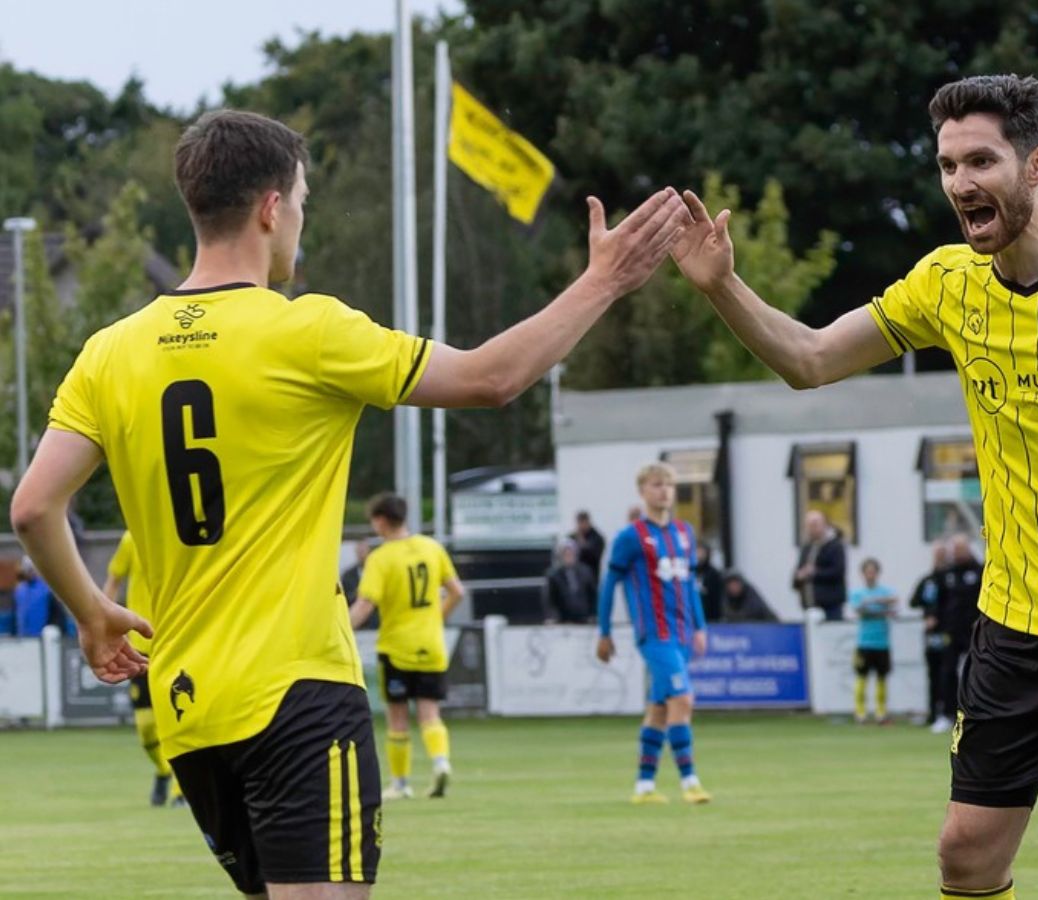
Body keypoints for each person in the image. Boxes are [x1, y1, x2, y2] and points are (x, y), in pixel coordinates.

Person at [8, 108, 687, 897]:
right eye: (301, 202)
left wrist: (92, 613)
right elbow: (489, 378)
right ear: (270, 207)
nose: (301, 221)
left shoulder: (108, 352)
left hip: (190, 708)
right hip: (296, 694)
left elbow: (32, 509)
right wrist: (602, 280)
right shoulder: (310, 331)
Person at [670, 74, 1038, 900]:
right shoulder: (945, 284)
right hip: (1017, 624)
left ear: (1036, 164)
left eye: (980, 161)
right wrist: (720, 289)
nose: (960, 183)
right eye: (947, 165)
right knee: (966, 853)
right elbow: (809, 360)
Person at [595, 462, 712, 805]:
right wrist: (604, 631)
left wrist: (700, 626)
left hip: (681, 633)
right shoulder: (631, 536)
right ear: (643, 491)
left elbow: (690, 585)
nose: (664, 491)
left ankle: (643, 787)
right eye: (657, 485)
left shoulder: (684, 532)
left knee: (659, 710)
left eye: (669, 485)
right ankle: (690, 781)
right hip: (654, 634)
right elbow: (609, 584)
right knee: (684, 700)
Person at [349, 492, 465, 800]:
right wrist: (435, 618)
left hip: (397, 647)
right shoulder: (432, 547)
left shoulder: (381, 558)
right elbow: (457, 592)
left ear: (381, 521)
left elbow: (365, 605)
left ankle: (400, 783)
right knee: (430, 712)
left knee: (397, 717)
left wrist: (340, 630)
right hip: (431, 643)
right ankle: (440, 763)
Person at [102, 531, 184, 808]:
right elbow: (114, 579)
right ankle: (163, 771)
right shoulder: (131, 539)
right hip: (140, 645)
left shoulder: (180, 536)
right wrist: (100, 619)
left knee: (178, 718)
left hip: (175, 642)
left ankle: (180, 790)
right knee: (146, 727)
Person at [935, 535, 984, 736]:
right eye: (954, 549)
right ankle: (947, 714)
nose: (957, 552)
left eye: (960, 548)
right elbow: (939, 602)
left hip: (974, 630)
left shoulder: (980, 571)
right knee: (947, 672)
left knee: (977, 672)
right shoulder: (946, 574)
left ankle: (978, 714)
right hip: (952, 631)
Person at [850, 558, 897, 724]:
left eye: (873, 571)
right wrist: (879, 607)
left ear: (877, 573)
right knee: (862, 677)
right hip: (864, 642)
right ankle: (860, 712)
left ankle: (881, 712)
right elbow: (859, 610)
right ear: (863, 574)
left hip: (882, 642)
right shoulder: (857, 593)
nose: (870, 575)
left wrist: (873, 605)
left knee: (881, 678)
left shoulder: (885, 591)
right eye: (867, 571)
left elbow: (894, 602)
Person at [911, 541, 953, 728]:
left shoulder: (951, 579)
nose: (939, 558)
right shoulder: (928, 580)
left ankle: (948, 712)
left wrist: (938, 617)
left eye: (942, 554)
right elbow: (914, 600)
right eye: (937, 554)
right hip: (931, 635)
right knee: (932, 673)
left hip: (947, 633)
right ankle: (932, 712)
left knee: (947, 673)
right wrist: (928, 615)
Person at [793, 510, 848, 621]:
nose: (811, 529)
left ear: (825, 524)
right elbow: (799, 571)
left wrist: (814, 573)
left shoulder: (835, 546)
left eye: (814, 525)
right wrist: (798, 577)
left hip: (830, 606)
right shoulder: (807, 547)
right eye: (808, 526)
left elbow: (838, 571)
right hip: (810, 606)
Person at [546, 539, 598, 624]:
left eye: (571, 554)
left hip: (584, 618)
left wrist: (593, 614)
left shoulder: (586, 571)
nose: (568, 557)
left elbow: (593, 595)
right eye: (565, 554)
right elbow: (549, 600)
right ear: (560, 556)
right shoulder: (553, 575)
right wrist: (553, 617)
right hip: (563, 619)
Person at [12, 558, 53, 638]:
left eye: (32, 569)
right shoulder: (19, 590)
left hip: (42, 637)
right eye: (28, 569)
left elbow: (55, 614)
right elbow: (15, 614)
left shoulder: (46, 589)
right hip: (23, 637)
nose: (31, 572)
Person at [694, 543, 726, 623]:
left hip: (710, 617)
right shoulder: (689, 572)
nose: (699, 556)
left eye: (702, 553)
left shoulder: (714, 574)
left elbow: (717, 598)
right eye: (697, 552)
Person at [571, 510, 606, 580]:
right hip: (575, 578)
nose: (581, 526)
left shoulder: (597, 538)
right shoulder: (572, 537)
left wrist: (581, 542)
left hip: (592, 576)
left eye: (583, 522)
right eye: (579, 523)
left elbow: (593, 556)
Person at [340, 539, 371, 608]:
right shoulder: (348, 575)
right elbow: (345, 596)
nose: (362, 555)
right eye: (359, 552)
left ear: (368, 551)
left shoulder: (376, 571)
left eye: (363, 551)